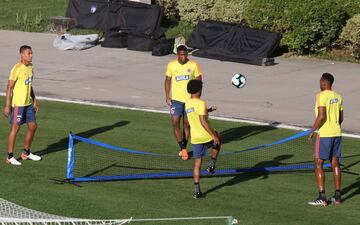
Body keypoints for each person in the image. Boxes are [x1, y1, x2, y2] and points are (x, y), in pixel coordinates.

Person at [307, 73, 343, 206]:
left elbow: (321, 116)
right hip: (337, 133)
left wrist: (312, 130)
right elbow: (341, 118)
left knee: (318, 163)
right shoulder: (338, 96)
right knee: (335, 164)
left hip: (325, 134)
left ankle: (322, 197)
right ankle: (337, 197)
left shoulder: (321, 96)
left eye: (320, 81)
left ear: (323, 82)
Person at [4, 45, 42, 165]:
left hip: (28, 104)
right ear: (22, 54)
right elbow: (9, 88)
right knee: (15, 128)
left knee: (33, 126)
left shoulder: (31, 67)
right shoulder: (16, 68)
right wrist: (7, 105)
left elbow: (29, 85)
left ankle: (26, 153)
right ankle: (9, 156)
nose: (31, 56)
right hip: (18, 105)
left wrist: (34, 100)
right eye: (28, 54)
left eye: (31, 53)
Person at [164, 45, 202, 160]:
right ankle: (182, 147)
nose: (184, 57)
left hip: (189, 101)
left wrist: (197, 95)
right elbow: (167, 80)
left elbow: (199, 80)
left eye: (185, 54)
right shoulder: (171, 65)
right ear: (177, 55)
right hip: (176, 100)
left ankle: (184, 147)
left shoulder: (193, 65)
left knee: (187, 124)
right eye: (181, 55)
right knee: (175, 122)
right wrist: (167, 96)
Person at [185, 79, 221, 199]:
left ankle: (197, 191)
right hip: (205, 135)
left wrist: (209, 110)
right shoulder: (201, 103)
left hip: (195, 138)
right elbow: (202, 120)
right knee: (218, 138)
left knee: (197, 164)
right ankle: (211, 165)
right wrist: (213, 135)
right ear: (199, 90)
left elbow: (195, 114)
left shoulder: (187, 103)